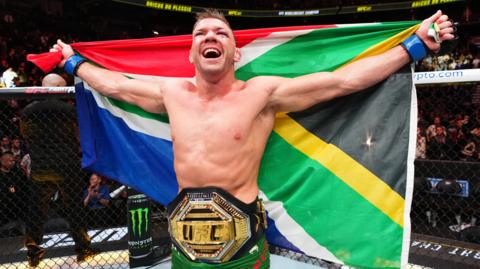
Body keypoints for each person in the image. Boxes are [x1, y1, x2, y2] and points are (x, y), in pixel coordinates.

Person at [51, 9, 454, 268]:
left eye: (221, 33)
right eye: (202, 34)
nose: (211, 38)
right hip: (184, 249)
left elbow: (342, 81)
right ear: (191, 53)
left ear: (235, 53)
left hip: (243, 249)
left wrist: (414, 45)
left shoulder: (261, 94)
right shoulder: (169, 94)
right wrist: (72, 61)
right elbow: (116, 86)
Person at [20, 74, 98, 267]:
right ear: (59, 88)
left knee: (37, 210)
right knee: (74, 208)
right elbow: (79, 136)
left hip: (41, 166)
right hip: (67, 165)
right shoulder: (68, 109)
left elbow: (25, 135)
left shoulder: (28, 110)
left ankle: (33, 251)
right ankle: (83, 249)